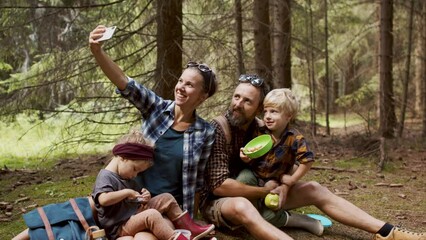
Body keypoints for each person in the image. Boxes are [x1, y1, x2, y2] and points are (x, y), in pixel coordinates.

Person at [200, 74, 426, 240]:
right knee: (242, 205)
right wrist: (265, 191)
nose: (238, 104)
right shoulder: (220, 128)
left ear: (259, 107)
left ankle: (387, 231)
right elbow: (220, 186)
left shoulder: (264, 129)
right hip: (224, 203)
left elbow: (285, 163)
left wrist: (284, 186)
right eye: (236, 97)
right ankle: (293, 224)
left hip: (261, 194)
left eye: (247, 101)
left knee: (314, 188)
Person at [89, 25, 217, 217]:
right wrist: (97, 51)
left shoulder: (205, 133)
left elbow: (196, 182)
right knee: (81, 211)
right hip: (131, 200)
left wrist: (190, 220)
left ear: (202, 96)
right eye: (181, 81)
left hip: (166, 207)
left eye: (189, 85)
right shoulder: (156, 108)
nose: (181, 87)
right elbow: (124, 81)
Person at [92, 130, 214, 240]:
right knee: (152, 215)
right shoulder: (105, 176)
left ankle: (191, 229)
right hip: (120, 227)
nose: (135, 175)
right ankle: (176, 238)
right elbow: (103, 199)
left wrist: (144, 197)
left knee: (166, 197)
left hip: (133, 216)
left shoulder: (126, 177)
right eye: (135, 169)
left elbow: (136, 198)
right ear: (123, 157)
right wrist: (127, 192)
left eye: (138, 172)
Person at [237, 88, 323, 236]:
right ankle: (251, 218)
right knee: (243, 179)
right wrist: (246, 157)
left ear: (288, 116)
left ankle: (301, 220)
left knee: (268, 217)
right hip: (254, 176)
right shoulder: (259, 131)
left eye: (274, 112)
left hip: (274, 183)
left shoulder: (295, 138)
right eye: (266, 112)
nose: (268, 116)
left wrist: (291, 180)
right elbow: (251, 151)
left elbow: (307, 160)